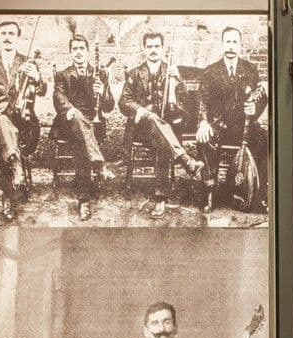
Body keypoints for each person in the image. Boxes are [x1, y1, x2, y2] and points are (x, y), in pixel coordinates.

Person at [119, 30, 206, 219]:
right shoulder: (135, 74)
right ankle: (186, 161)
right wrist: (138, 109)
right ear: (144, 49)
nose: (153, 50)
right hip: (140, 130)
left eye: (157, 46)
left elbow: (183, 109)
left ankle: (160, 198)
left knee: (162, 139)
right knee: (150, 117)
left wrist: (175, 86)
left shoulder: (172, 73)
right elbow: (123, 102)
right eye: (149, 46)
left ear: (162, 48)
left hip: (166, 130)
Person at [0, 20, 44, 222]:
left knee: (9, 136)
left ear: (17, 37)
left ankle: (13, 167)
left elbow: (42, 91)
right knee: (4, 125)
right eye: (3, 33)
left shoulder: (27, 61)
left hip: (22, 120)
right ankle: (8, 196)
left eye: (11, 33)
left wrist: (37, 78)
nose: (7, 37)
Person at [194, 26, 268, 214]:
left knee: (266, 139)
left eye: (235, 42)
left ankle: (255, 193)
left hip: (244, 127)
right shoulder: (211, 71)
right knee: (205, 139)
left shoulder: (250, 69)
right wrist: (203, 122)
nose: (231, 46)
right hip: (219, 126)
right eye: (228, 41)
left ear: (240, 46)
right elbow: (203, 101)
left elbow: (260, 98)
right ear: (222, 44)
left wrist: (255, 109)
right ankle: (209, 194)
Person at [53, 33, 116, 221]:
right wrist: (69, 109)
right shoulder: (63, 74)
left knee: (82, 144)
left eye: (82, 49)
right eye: (75, 49)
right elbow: (58, 98)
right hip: (68, 121)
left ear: (87, 52)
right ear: (71, 52)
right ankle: (98, 167)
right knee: (78, 125)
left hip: (94, 123)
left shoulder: (99, 73)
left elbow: (109, 106)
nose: (78, 52)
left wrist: (102, 91)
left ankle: (84, 199)